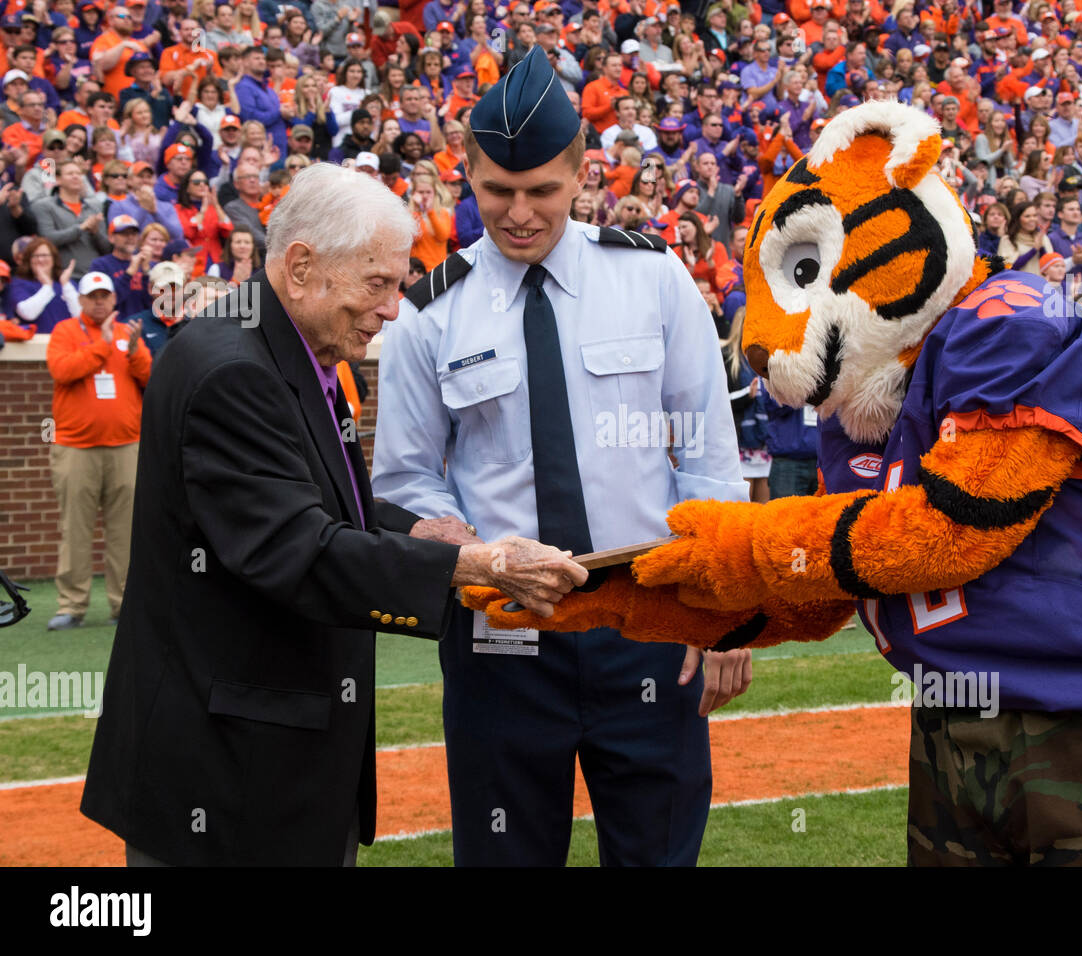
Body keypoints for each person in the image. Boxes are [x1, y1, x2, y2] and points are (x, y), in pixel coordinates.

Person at [79, 162, 587, 867]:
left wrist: (415, 529)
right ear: (300, 268)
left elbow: (310, 494)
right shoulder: (237, 372)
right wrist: (475, 564)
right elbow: (299, 549)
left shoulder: (272, 343)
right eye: (377, 284)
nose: (392, 310)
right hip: (231, 785)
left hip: (263, 768)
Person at [373, 46, 753, 867]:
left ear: (582, 172)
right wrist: (471, 548)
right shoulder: (428, 316)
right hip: (500, 630)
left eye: (541, 190)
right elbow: (402, 479)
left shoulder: (653, 279)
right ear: (466, 172)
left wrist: (726, 609)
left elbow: (708, 457)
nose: (518, 213)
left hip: (648, 617)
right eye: (496, 190)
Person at [44, 271, 151, 629]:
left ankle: (124, 605)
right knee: (76, 529)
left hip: (126, 447)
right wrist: (102, 345)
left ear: (113, 299)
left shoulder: (128, 334)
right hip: (76, 448)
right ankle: (71, 606)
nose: (100, 301)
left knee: (125, 531)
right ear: (83, 300)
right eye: (93, 296)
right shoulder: (65, 332)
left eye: (105, 295)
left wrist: (134, 353)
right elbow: (62, 370)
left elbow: (150, 379)